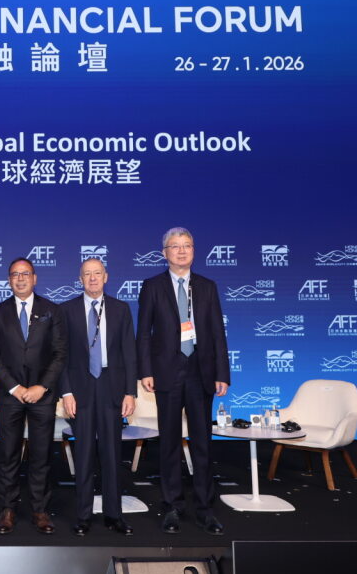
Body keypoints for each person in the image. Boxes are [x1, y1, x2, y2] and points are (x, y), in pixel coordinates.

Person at [137, 227, 230, 536]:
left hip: (201, 371)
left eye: (187, 245)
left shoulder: (207, 286)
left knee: (202, 442)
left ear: (193, 251)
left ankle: (204, 508)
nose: (181, 251)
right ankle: (173, 506)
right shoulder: (152, 286)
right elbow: (143, 333)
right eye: (175, 246)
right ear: (164, 253)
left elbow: (217, 332)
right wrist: (145, 370)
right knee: (169, 442)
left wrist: (222, 373)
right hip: (166, 370)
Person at [0, 257, 67, 535]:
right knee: (8, 454)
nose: (20, 279)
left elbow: (60, 353)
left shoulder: (52, 310)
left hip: (42, 395)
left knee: (41, 454)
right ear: (9, 280)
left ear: (35, 278)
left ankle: (40, 509)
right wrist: (15, 388)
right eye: (15, 274)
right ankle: (7, 508)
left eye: (25, 274)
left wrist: (41, 386)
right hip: (11, 395)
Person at [60, 258, 138, 537]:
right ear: (80, 279)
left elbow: (129, 352)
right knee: (83, 455)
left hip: (111, 386)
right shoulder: (66, 310)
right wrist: (66, 391)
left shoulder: (120, 309)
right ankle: (83, 516)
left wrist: (130, 391)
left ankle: (113, 514)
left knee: (112, 453)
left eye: (97, 273)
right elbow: (60, 355)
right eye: (87, 274)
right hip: (79, 388)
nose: (92, 278)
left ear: (106, 276)